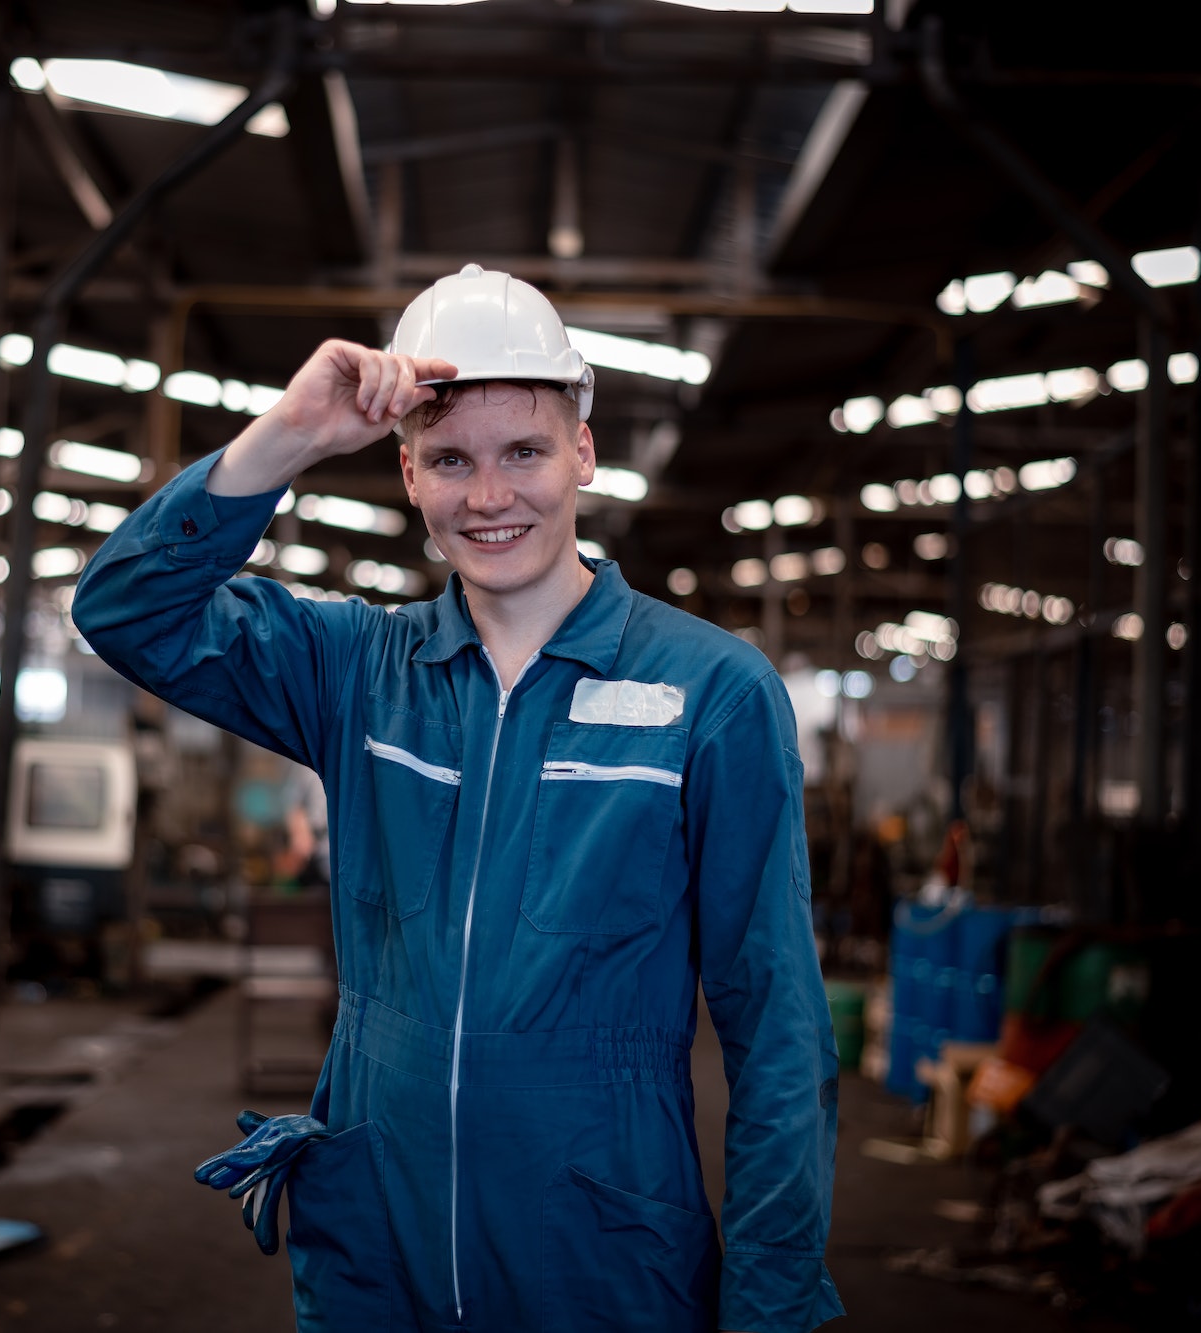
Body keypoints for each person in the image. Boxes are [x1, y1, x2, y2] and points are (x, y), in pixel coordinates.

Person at [75, 265, 843, 1333]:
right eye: (448, 460)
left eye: (522, 450)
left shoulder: (707, 692)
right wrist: (288, 433)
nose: (486, 497)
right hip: (375, 1252)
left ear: (582, 445)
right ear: (404, 471)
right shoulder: (358, 670)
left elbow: (776, 1027)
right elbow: (125, 608)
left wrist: (770, 1306)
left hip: (599, 1252)